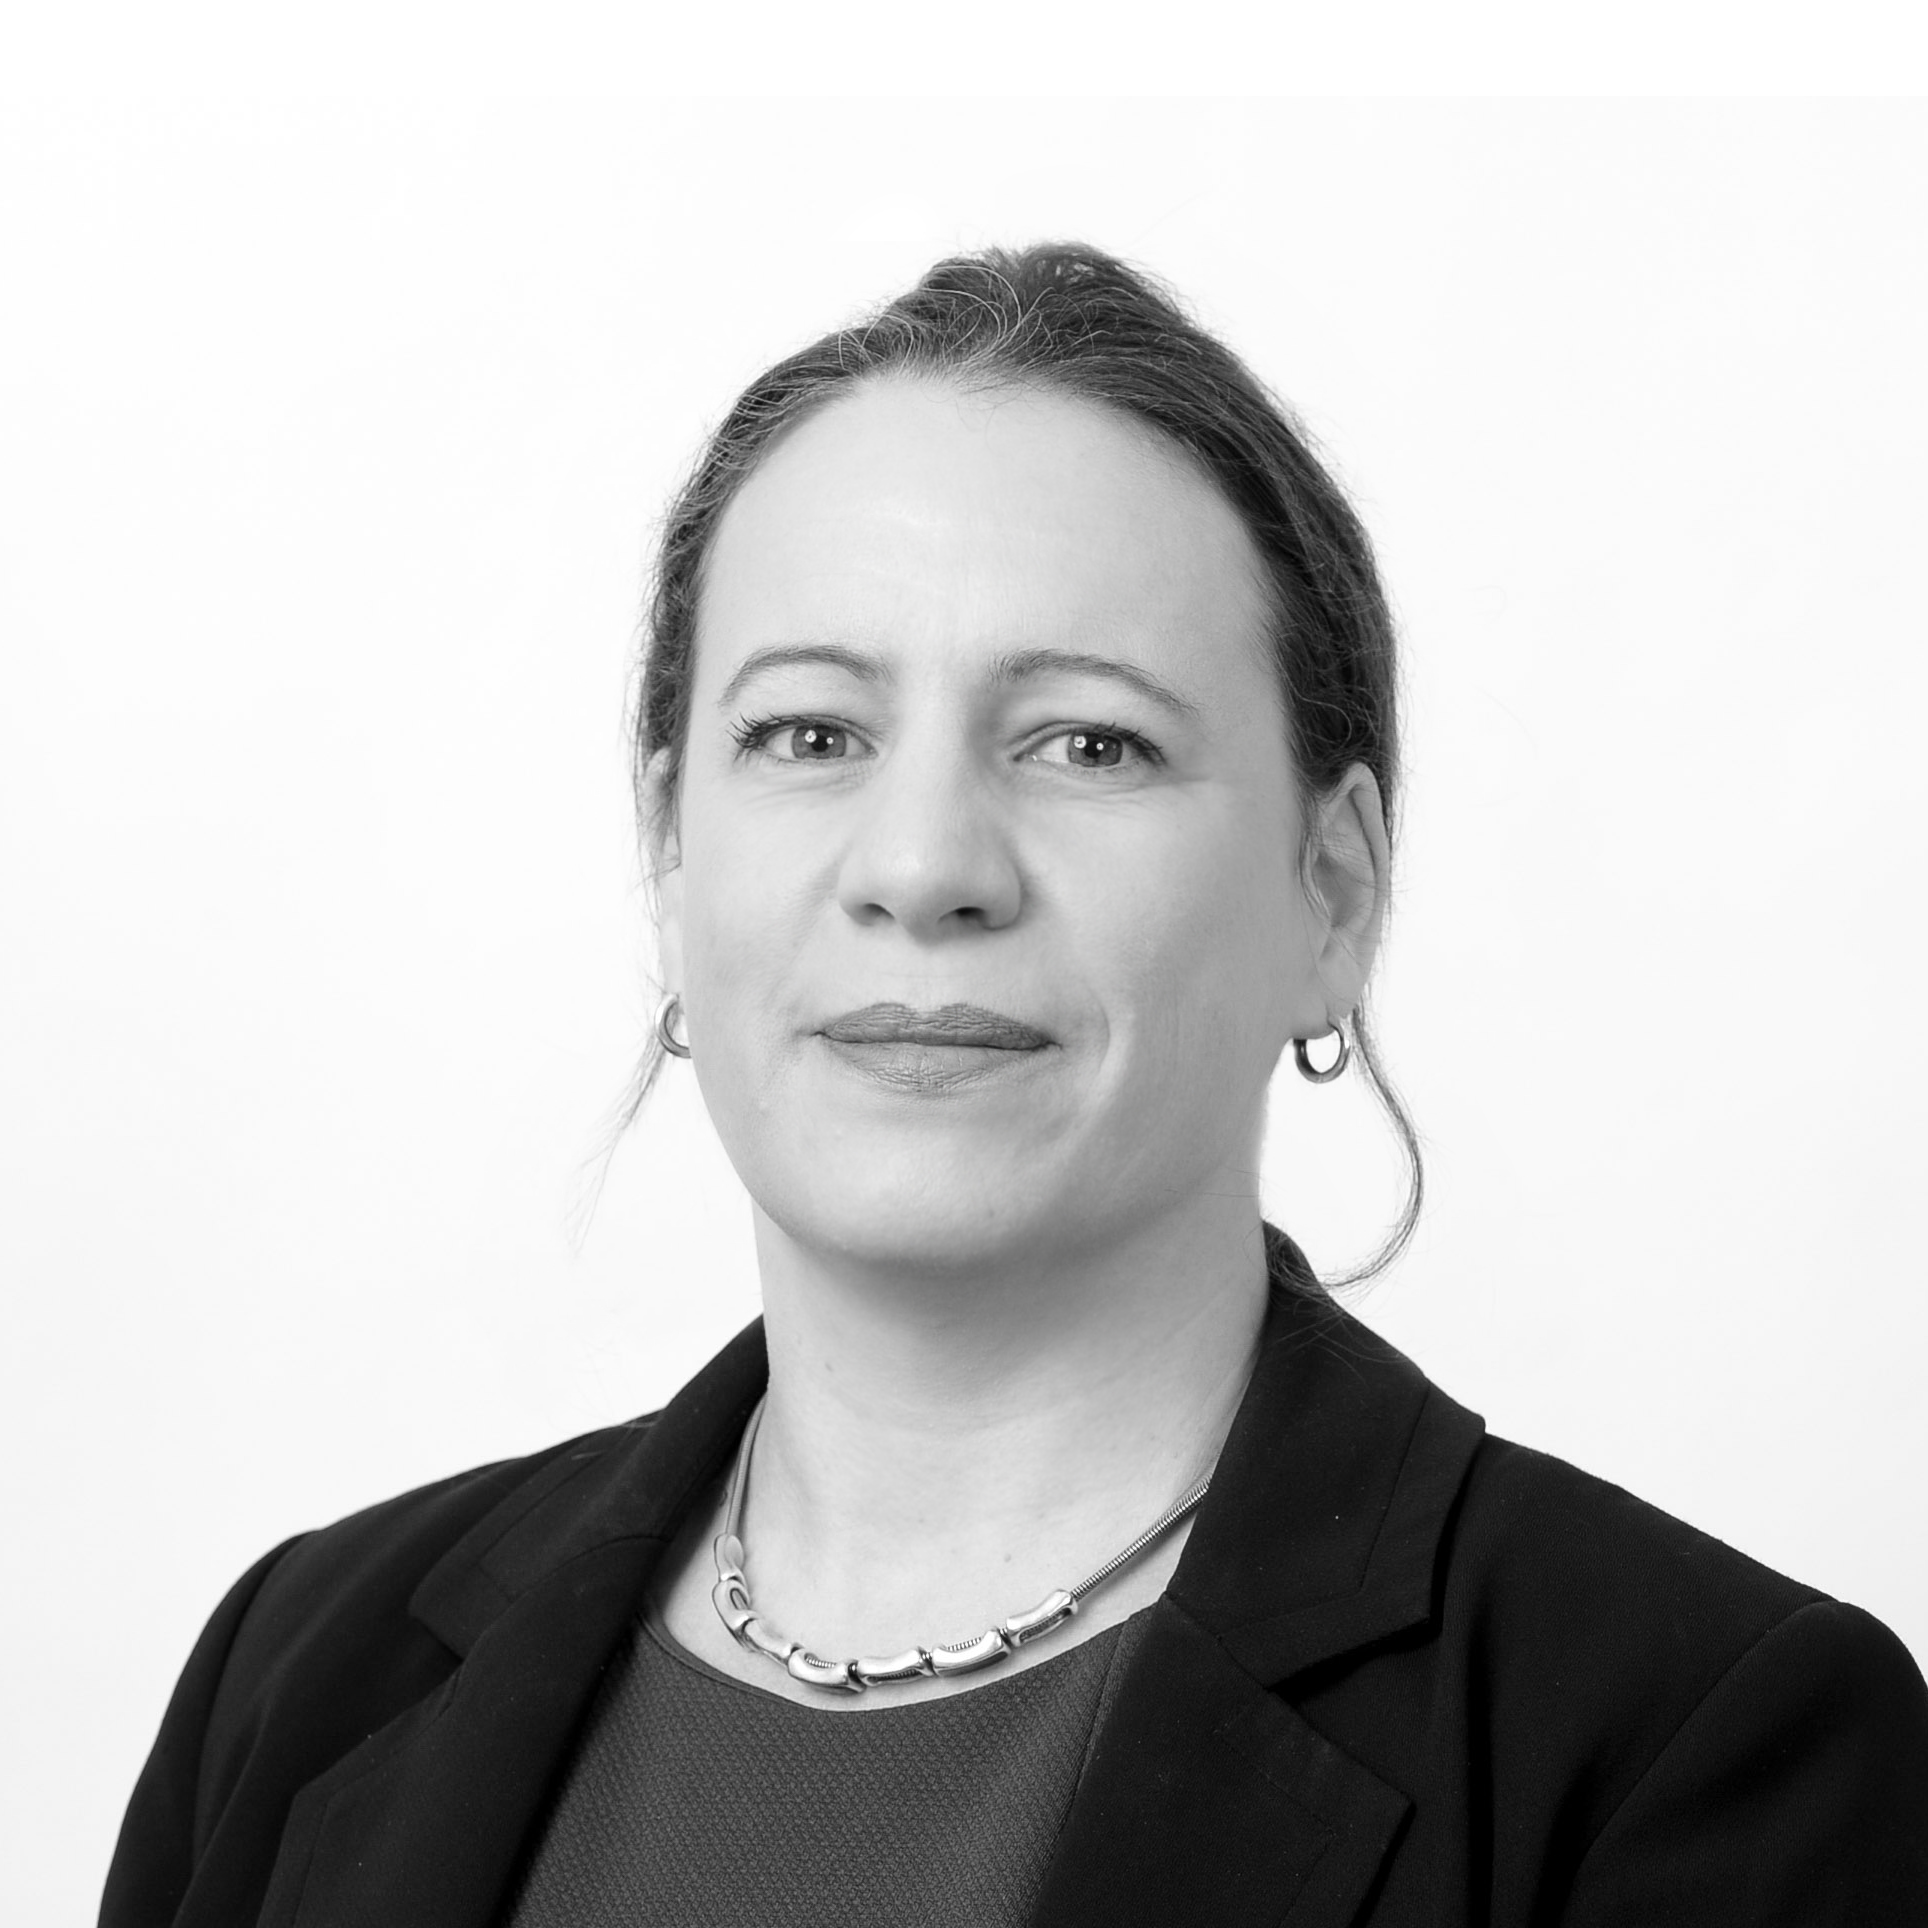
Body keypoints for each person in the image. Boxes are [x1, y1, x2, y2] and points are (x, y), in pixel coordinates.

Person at [100, 242, 1928, 1928]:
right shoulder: (301, 1670)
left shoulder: (1697, 1743)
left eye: (1089, 740)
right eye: (809, 733)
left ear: (1337, 892)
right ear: (671, 854)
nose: (924, 864)